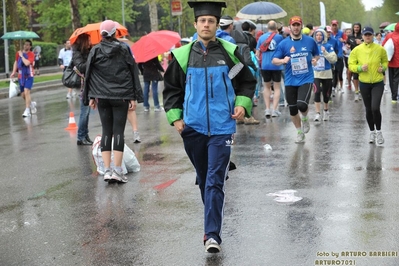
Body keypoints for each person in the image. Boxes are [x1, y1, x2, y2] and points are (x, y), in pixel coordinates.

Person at [163, 1, 256, 253]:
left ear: (217, 25)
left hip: (223, 128)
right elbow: (172, 90)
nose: (206, 24)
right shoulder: (182, 56)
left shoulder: (229, 54)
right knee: (205, 179)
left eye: (211, 21)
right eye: (202, 20)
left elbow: (247, 81)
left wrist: (242, 104)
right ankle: (211, 216)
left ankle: (211, 235)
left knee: (214, 180)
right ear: (195, 24)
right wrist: (176, 119)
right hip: (192, 129)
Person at [83, 20, 143, 183]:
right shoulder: (124, 49)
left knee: (106, 132)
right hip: (121, 96)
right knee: (118, 132)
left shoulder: (95, 50)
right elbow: (132, 72)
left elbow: (89, 74)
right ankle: (117, 170)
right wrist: (134, 96)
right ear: (115, 33)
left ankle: (107, 170)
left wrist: (89, 97)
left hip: (101, 97)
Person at [272, 16, 319, 143]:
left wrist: (315, 60)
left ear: (301, 26)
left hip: (306, 78)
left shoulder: (310, 41)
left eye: (298, 25)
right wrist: (282, 60)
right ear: (290, 27)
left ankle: (304, 118)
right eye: (294, 25)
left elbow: (316, 54)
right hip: (290, 80)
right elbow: (274, 60)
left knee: (301, 104)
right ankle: (299, 132)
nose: (296, 27)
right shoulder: (284, 43)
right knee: (293, 109)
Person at [348, 26, 388, 145]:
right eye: (366, 35)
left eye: (370, 34)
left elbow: (385, 61)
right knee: (369, 109)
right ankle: (372, 132)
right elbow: (351, 65)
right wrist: (360, 68)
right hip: (364, 83)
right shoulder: (357, 50)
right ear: (363, 36)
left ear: (373, 36)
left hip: (377, 82)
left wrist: (383, 67)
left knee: (375, 108)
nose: (368, 37)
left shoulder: (380, 49)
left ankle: (379, 132)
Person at [256, 20, 284, 118]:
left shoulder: (261, 38)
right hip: (276, 65)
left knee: (266, 87)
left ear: (267, 27)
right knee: (276, 88)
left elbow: (257, 53)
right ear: (276, 28)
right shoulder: (279, 37)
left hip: (265, 65)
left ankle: (267, 109)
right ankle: (275, 110)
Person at [71, 33, 93, 146]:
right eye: (89, 40)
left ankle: (85, 134)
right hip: (81, 85)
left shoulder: (88, 51)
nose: (90, 42)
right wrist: (91, 59)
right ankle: (80, 137)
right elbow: (81, 67)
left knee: (88, 111)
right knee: (84, 111)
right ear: (84, 41)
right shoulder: (77, 53)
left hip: (87, 83)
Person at [312, 29, 337, 121]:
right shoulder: (312, 46)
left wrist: (325, 52)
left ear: (324, 36)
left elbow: (334, 59)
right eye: (317, 35)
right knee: (317, 91)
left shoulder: (328, 46)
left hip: (326, 73)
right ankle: (317, 113)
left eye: (320, 35)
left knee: (326, 94)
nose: (318, 37)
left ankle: (326, 110)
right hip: (316, 73)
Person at [10, 40, 37, 117]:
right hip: (21, 76)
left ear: (30, 46)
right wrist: (14, 72)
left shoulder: (31, 54)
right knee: (23, 95)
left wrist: (22, 56)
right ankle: (31, 104)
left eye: (28, 45)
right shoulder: (18, 53)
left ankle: (27, 110)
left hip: (29, 75)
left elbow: (27, 63)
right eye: (25, 45)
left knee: (26, 91)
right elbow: (16, 62)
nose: (26, 46)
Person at [381, 23, 399, 103]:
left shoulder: (389, 35)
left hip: (391, 62)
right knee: (396, 79)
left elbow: (383, 45)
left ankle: (394, 97)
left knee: (392, 79)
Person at [347, 22, 363, 101]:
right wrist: (347, 46)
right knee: (355, 75)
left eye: (357, 27)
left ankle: (361, 90)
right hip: (353, 57)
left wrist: (361, 43)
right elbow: (347, 44)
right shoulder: (350, 36)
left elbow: (368, 45)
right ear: (353, 28)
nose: (356, 28)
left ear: (360, 28)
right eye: (355, 27)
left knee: (361, 75)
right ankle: (356, 92)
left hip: (362, 57)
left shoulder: (362, 36)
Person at [330, 20, 346, 93]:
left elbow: (347, 42)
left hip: (339, 55)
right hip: (331, 55)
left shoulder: (341, 33)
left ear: (337, 25)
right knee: (334, 72)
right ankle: (334, 86)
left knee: (340, 72)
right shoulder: (329, 33)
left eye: (335, 25)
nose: (334, 27)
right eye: (333, 25)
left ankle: (341, 87)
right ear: (331, 25)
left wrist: (344, 41)